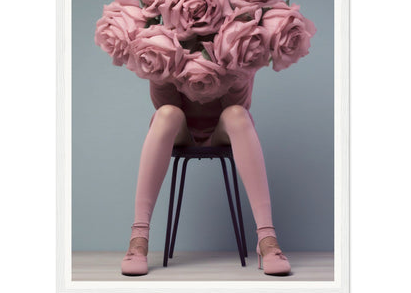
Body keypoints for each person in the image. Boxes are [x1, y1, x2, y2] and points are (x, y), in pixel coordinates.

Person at [121, 75, 291, 276]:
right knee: (166, 113)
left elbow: (238, 103)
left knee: (237, 114)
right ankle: (139, 237)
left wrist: (235, 70)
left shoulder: (236, 43)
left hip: (223, 128)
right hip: (180, 129)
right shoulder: (171, 43)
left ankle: (267, 238)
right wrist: (162, 71)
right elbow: (165, 103)